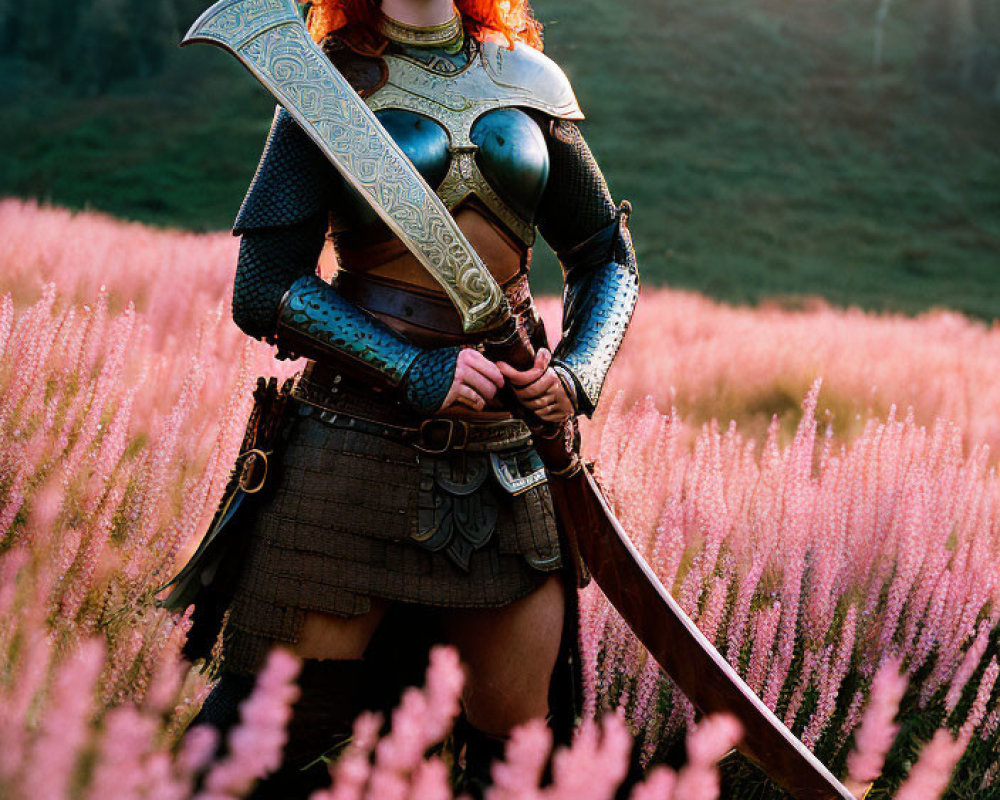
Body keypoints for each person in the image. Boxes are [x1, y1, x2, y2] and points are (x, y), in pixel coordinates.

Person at [178, 0, 639, 796]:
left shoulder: (529, 81)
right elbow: (264, 289)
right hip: (349, 451)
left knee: (521, 757)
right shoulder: (321, 85)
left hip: (509, 467)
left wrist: (574, 376)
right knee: (259, 738)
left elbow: (607, 256)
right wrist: (409, 369)